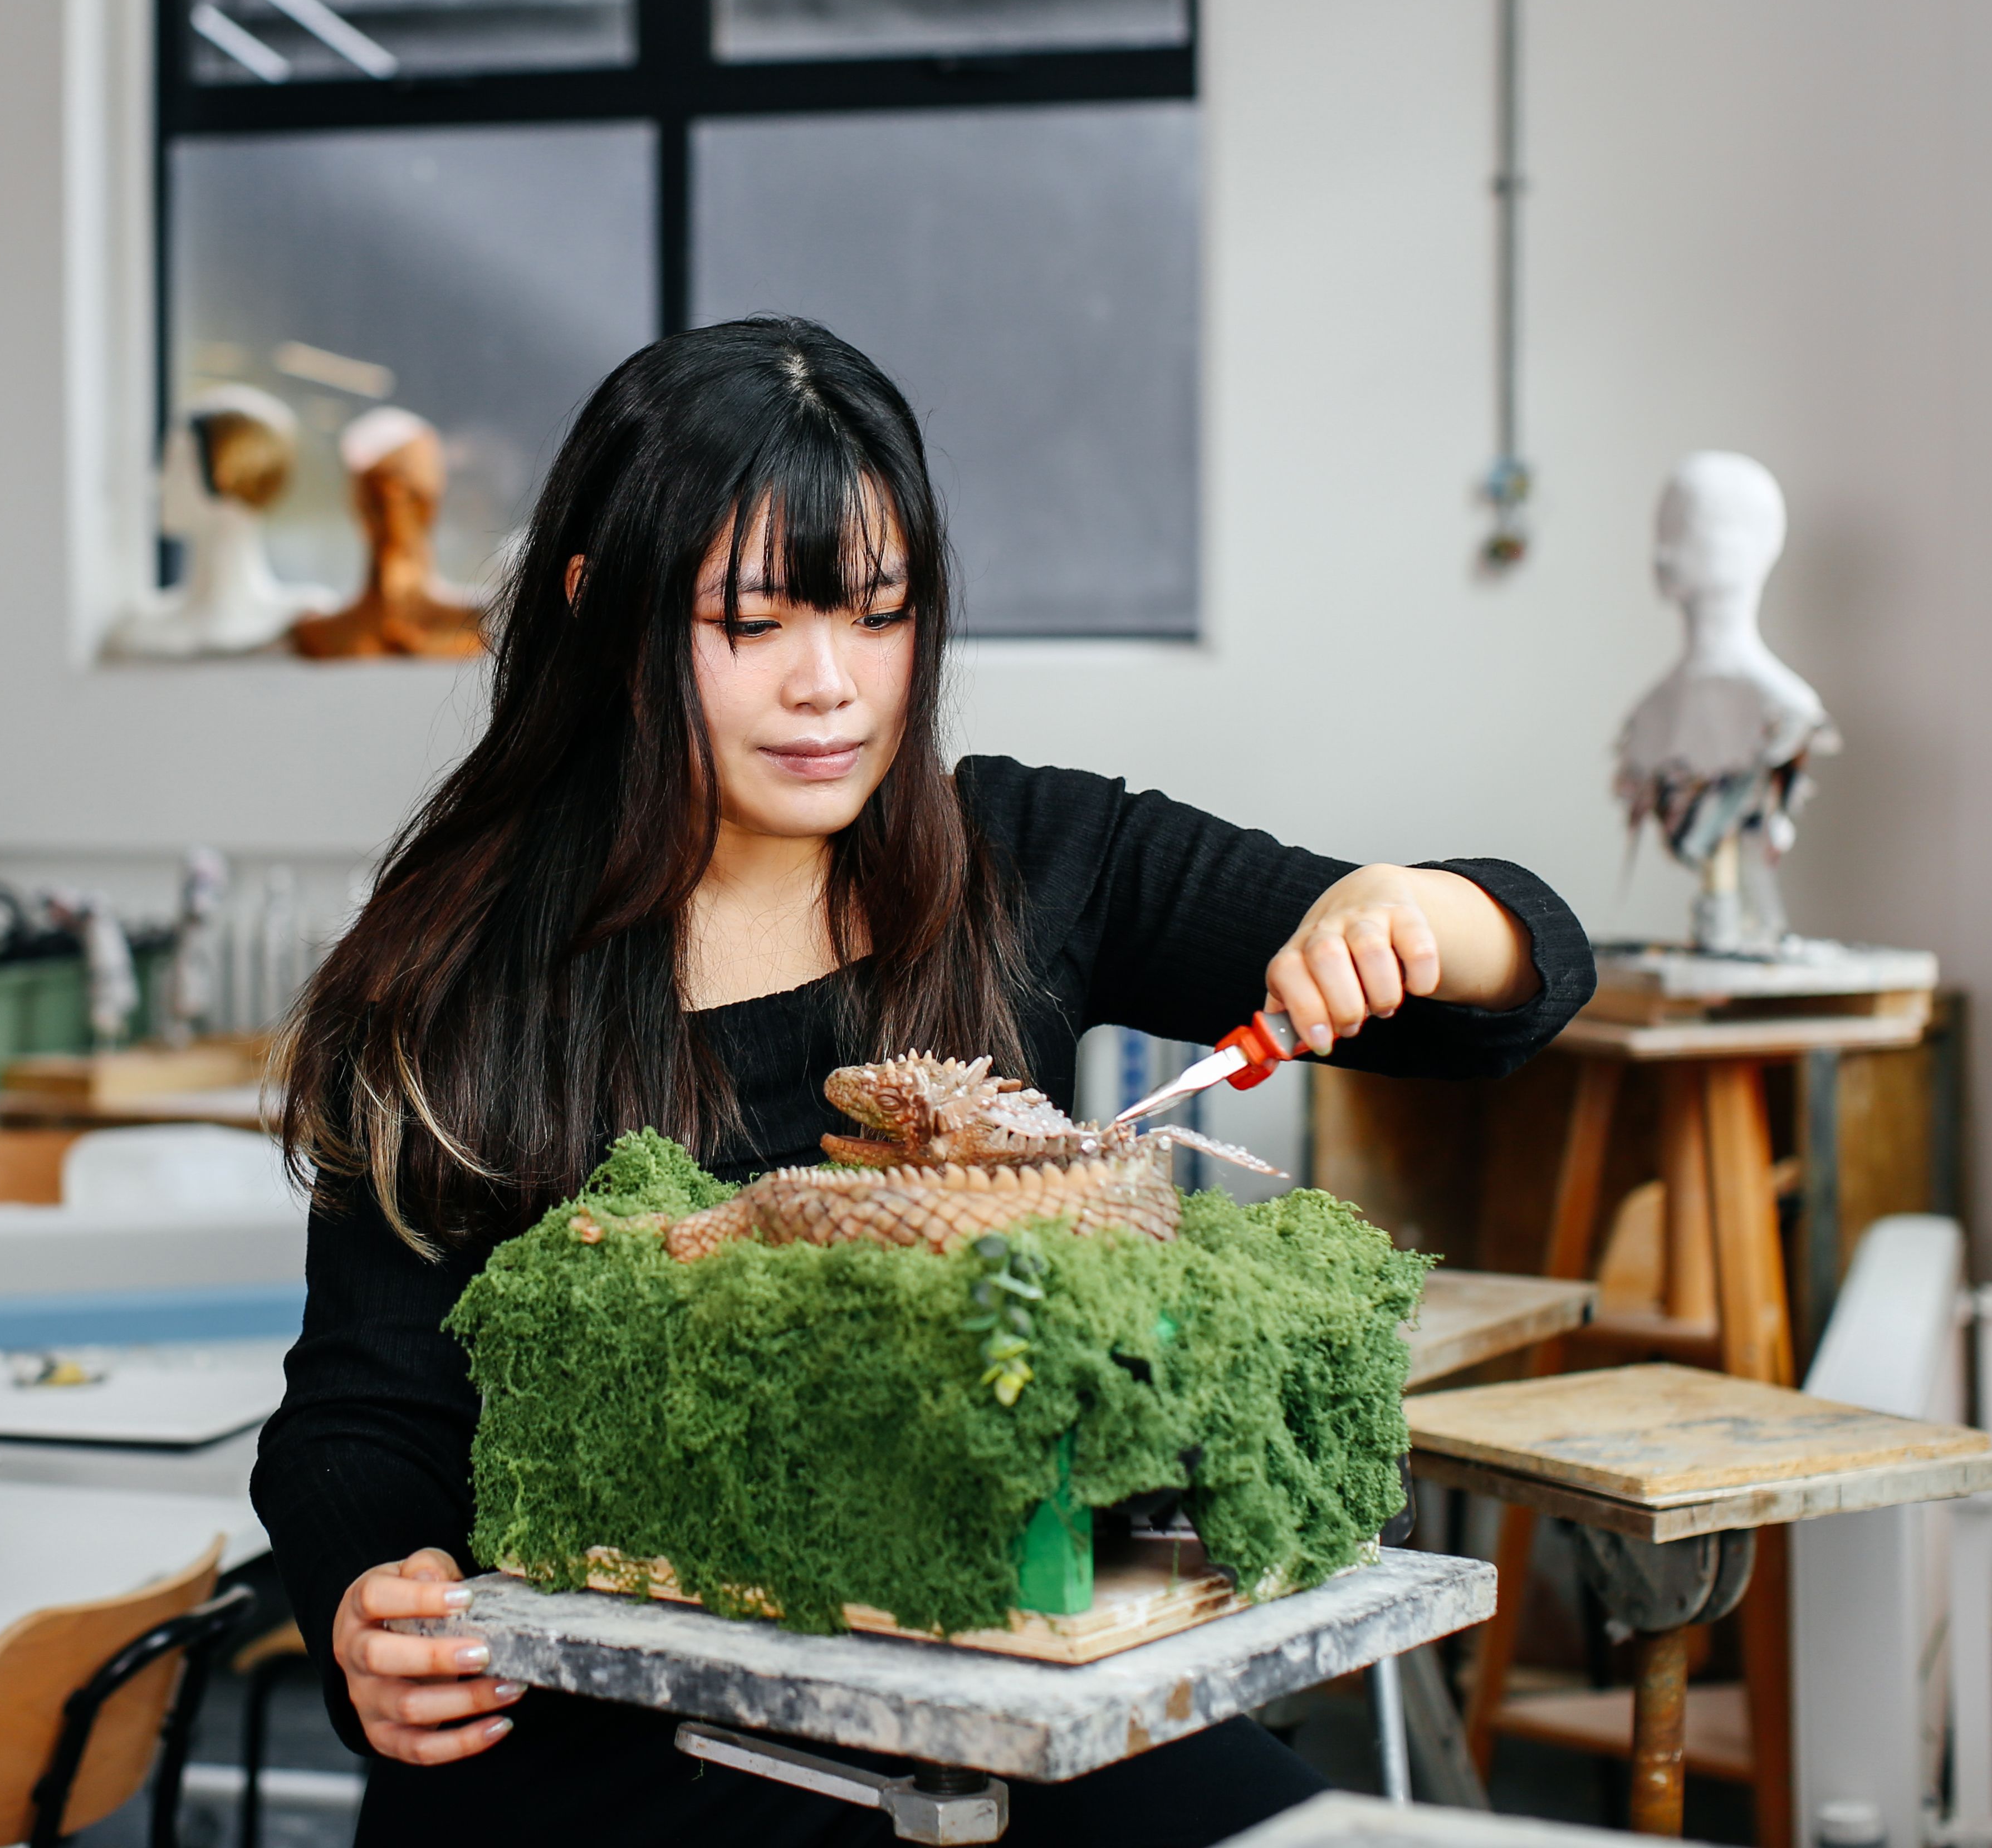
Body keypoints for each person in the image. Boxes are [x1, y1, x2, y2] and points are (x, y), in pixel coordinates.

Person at [253, 318, 1593, 1845]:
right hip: (621, 1742)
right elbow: (364, 1419)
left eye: (877, 617)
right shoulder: (457, 976)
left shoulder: (1030, 861)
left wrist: (1417, 916)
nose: (830, 688)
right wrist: (376, 1591)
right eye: (751, 626)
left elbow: (1512, 981)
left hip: (996, 1685)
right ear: (598, 611)